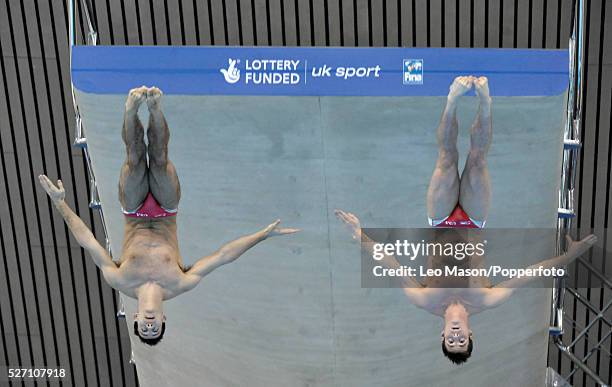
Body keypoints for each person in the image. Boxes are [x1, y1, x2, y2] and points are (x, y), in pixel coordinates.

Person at [39, 86, 299, 345]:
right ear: (163, 321)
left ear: (137, 318)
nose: (149, 326)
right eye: (154, 329)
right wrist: (262, 236)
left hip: (134, 211)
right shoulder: (179, 283)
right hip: (165, 211)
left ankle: (130, 110)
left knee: (134, 159)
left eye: (144, 328)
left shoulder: (119, 279)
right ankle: (154, 109)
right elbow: (223, 256)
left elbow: (87, 241)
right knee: (160, 158)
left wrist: (61, 204)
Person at [335, 209, 596, 365]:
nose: (456, 336)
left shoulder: (424, 300)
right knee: (477, 153)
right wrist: (569, 257)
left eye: (451, 341)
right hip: (473, 218)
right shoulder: (487, 300)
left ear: (443, 336)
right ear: (471, 335)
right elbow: (530, 274)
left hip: (441, 219)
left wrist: (359, 235)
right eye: (462, 341)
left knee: (447, 152)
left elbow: (391, 265)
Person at [427, 76, 492, 228]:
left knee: (446, 159)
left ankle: (452, 99)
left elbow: (384, 253)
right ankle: (485, 102)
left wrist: (359, 235)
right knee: (478, 163)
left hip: (441, 223)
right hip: (472, 224)